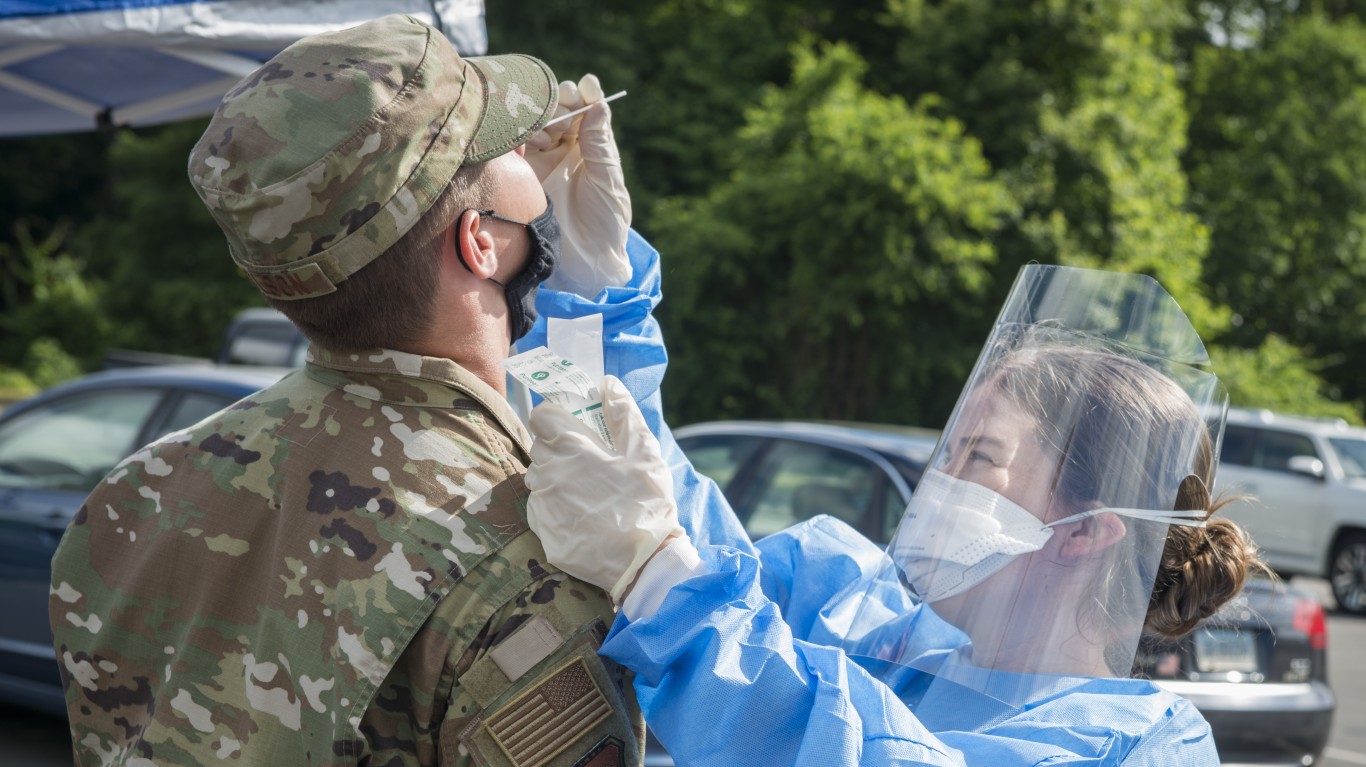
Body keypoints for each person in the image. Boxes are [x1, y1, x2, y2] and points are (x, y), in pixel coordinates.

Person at [48, 14, 647, 766]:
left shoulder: (135, 496)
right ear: (479, 241)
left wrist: (596, 310)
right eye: (504, 147)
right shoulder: (526, 562)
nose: (530, 151)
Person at [523, 264, 1268, 766]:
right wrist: (592, 295)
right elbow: (675, 521)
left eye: (977, 457)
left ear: (1086, 531)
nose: (938, 483)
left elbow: (852, 745)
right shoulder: (880, 627)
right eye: (946, 452)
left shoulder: (1139, 745)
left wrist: (663, 583)